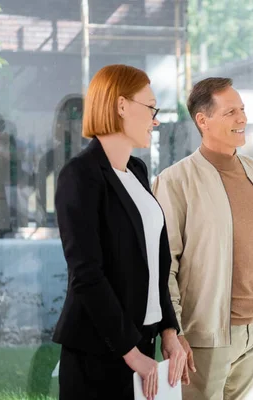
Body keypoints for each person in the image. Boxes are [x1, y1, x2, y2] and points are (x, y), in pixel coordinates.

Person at [53, 64, 186, 400]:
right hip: (99, 352)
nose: (156, 120)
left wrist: (169, 329)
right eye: (151, 108)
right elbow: (86, 274)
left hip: (144, 342)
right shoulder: (79, 175)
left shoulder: (137, 171)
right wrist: (130, 352)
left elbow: (155, 263)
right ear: (121, 105)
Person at [152, 77, 253, 399]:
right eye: (231, 112)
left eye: (242, 110)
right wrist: (175, 331)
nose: (242, 119)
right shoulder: (175, 181)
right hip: (206, 335)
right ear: (203, 121)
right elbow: (164, 264)